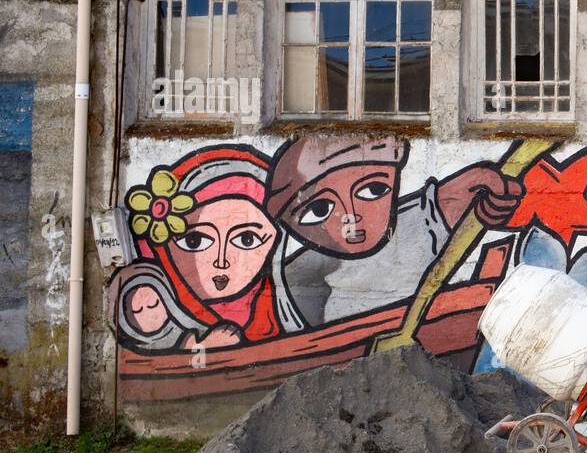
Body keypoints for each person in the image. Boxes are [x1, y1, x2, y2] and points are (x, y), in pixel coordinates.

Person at [265, 135, 524, 325]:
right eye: (321, 208)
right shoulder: (294, 270)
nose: (352, 216)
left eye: (373, 189)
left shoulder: (416, 224)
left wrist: (475, 186)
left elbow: (434, 209)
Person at [110, 145, 302, 352]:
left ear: (276, 240)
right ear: (163, 247)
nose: (221, 261)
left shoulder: (279, 313)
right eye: (195, 241)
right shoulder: (146, 304)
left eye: (247, 239)